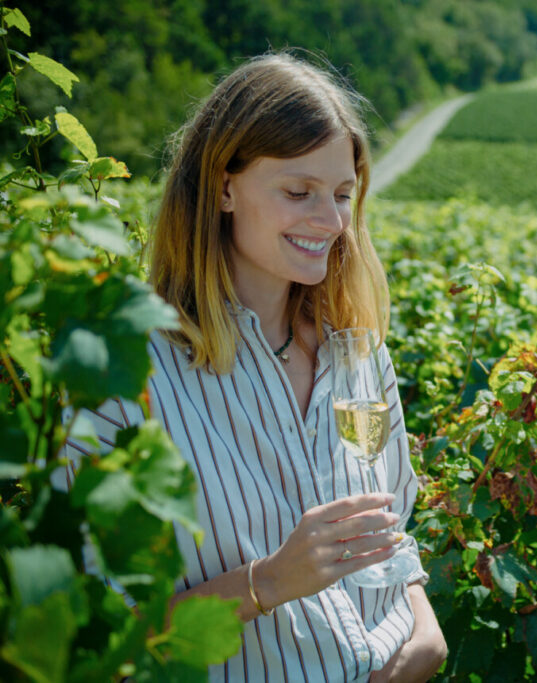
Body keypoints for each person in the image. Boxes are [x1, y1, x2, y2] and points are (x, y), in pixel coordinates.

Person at [59, 53, 447, 682]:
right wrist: (265, 582)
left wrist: (425, 641)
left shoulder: (357, 352)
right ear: (223, 186)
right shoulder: (124, 377)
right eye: (299, 192)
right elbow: (95, 631)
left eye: (343, 195)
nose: (331, 223)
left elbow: (392, 541)